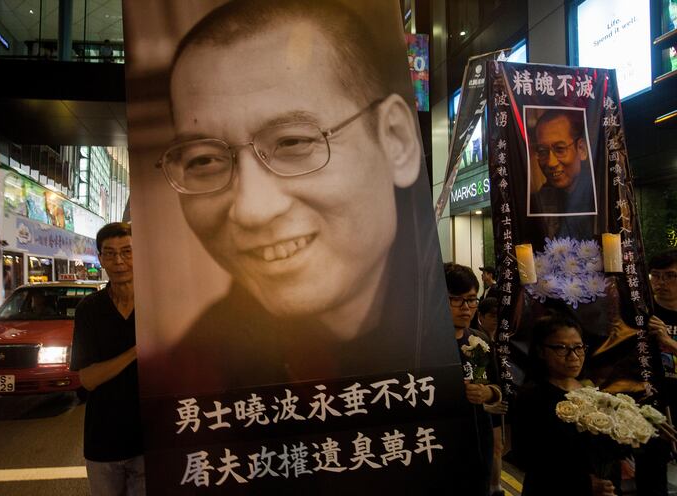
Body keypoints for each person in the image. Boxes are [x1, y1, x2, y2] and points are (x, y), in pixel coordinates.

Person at [144, 0, 452, 395]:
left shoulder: (457, 331)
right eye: (204, 160)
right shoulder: (188, 376)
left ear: (395, 139)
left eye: (293, 141)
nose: (253, 210)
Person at [70, 222, 145, 495]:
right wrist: (135, 352)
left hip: (151, 440)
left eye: (128, 251)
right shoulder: (89, 310)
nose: (120, 261)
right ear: (100, 259)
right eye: (110, 253)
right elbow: (87, 379)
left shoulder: (160, 303)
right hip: (104, 441)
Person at [513, 315, 616, 496]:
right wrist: (582, 482)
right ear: (541, 351)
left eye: (578, 348)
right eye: (562, 348)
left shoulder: (591, 391)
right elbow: (527, 457)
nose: (573, 357)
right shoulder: (532, 397)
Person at [444, 263, 503, 496]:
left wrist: (487, 393)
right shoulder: (426, 346)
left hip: (479, 440)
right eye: (456, 300)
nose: (466, 308)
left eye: (471, 299)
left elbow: (498, 387)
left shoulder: (481, 340)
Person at [635, 250, 677, 496]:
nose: (661, 283)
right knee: (651, 475)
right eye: (656, 276)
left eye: (670, 276)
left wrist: (668, 342)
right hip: (654, 405)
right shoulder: (643, 315)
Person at [528, 108, 596, 240]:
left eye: (560, 149)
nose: (551, 163)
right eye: (542, 151)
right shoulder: (539, 202)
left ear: (581, 149)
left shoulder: (600, 195)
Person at [477, 297, 508, 496]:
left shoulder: (506, 337)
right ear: (481, 316)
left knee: (500, 444)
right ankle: (493, 485)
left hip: (499, 397)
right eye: (492, 316)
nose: (496, 320)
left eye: (499, 316)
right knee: (494, 445)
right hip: (483, 401)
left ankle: (495, 485)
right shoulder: (474, 339)